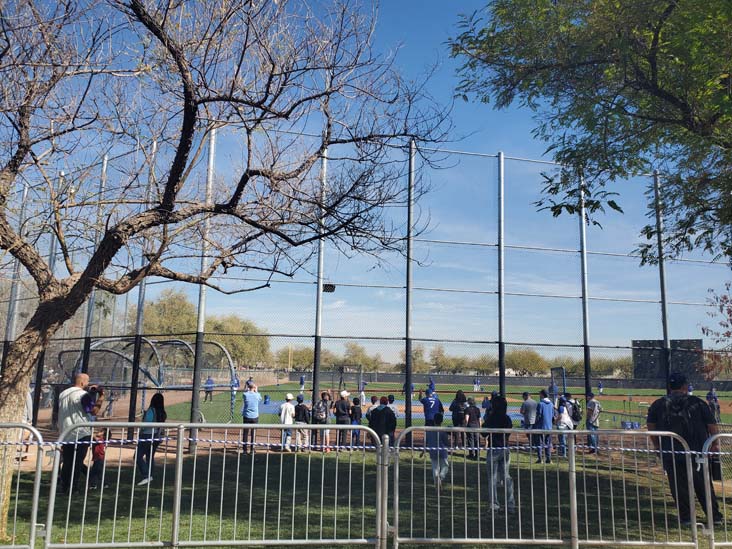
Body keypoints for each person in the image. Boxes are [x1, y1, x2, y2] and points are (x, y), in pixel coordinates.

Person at [646, 372, 722, 526]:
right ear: (685, 386)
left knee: (678, 486)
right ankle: (714, 517)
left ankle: (687, 518)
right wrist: (714, 444)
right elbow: (712, 426)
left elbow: (651, 427)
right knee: (703, 485)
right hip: (698, 451)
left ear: (670, 387)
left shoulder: (658, 404)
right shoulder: (698, 403)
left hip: (671, 451)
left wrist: (658, 446)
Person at [58, 374, 104, 494]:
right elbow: (93, 411)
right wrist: (101, 397)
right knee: (77, 463)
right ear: (83, 383)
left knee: (67, 462)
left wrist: (91, 394)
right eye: (88, 382)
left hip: (66, 432)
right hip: (81, 432)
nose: (88, 385)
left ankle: (64, 486)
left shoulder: (63, 394)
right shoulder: (82, 395)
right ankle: (74, 488)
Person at [483, 396, 515, 512]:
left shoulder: (493, 417)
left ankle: (494, 505)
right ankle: (511, 505)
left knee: (492, 478)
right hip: (505, 449)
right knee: (506, 477)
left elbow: (483, 432)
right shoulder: (506, 418)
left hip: (494, 449)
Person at [136, 392, 166, 485]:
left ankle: (146, 475)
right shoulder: (162, 412)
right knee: (150, 456)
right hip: (156, 436)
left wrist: (141, 430)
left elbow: (146, 423)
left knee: (138, 456)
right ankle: (149, 475)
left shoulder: (151, 410)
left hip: (147, 435)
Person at [424, 413, 449, 489]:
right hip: (442, 451)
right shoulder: (443, 431)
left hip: (433, 451)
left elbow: (426, 441)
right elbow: (446, 442)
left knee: (435, 468)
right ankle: (440, 477)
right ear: (441, 421)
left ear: (434, 420)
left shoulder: (429, 431)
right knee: (445, 466)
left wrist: (423, 450)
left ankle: (436, 482)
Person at [533, 389, 554, 464]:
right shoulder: (551, 404)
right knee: (548, 443)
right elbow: (552, 415)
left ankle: (540, 458)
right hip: (549, 426)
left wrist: (535, 423)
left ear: (542, 395)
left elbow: (539, 415)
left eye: (540, 394)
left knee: (539, 443)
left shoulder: (540, 404)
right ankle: (548, 458)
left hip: (540, 426)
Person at [241, 382, 262, 455]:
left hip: (246, 416)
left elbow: (245, 394)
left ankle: (244, 450)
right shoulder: (257, 395)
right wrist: (256, 390)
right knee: (253, 433)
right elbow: (260, 399)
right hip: (255, 416)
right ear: (254, 388)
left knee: (245, 433)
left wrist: (248, 389)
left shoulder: (245, 394)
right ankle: (252, 450)